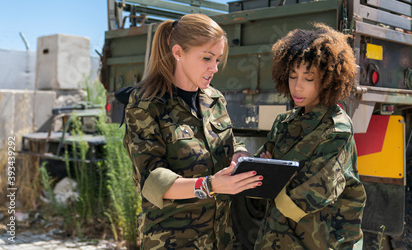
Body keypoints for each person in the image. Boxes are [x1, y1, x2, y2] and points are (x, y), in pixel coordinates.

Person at [116, 13, 262, 250]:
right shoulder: (146, 104)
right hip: (172, 241)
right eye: (207, 58)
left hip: (220, 239)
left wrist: (239, 155)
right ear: (178, 53)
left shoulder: (215, 99)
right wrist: (211, 185)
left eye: (218, 59)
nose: (214, 68)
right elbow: (153, 181)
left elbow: (226, 142)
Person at [253, 23, 367, 249]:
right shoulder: (283, 123)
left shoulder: (337, 129)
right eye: (293, 76)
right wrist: (268, 177)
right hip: (273, 238)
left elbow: (315, 191)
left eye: (308, 78)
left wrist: (271, 179)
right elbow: (255, 178)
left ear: (328, 80)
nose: (297, 87)